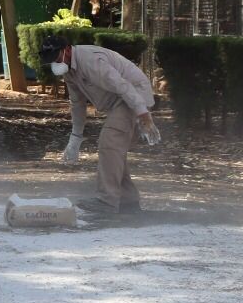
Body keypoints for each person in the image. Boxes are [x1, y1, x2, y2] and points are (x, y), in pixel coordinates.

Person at [39, 34, 159, 216]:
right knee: (115, 151)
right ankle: (127, 201)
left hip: (133, 94)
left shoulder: (90, 61)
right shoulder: (69, 70)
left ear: (67, 50)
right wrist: (75, 137)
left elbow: (122, 85)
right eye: (51, 60)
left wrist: (143, 113)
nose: (54, 62)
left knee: (109, 142)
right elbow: (77, 103)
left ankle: (107, 201)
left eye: (56, 57)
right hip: (120, 100)